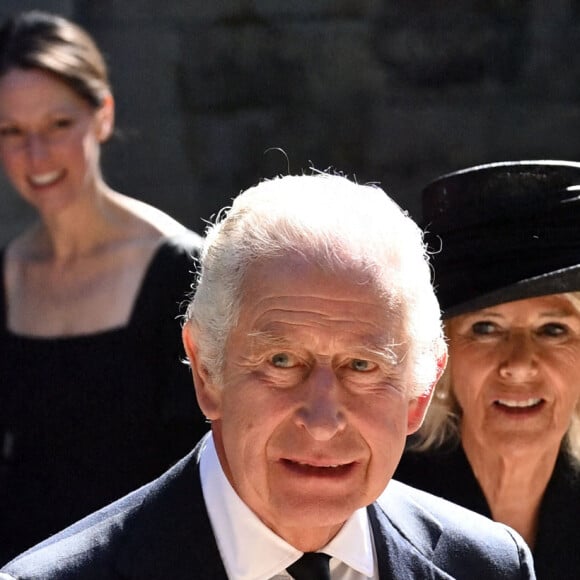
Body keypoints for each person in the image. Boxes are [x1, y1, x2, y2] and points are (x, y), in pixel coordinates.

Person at [1, 172, 535, 579]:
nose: (323, 420)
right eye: (282, 361)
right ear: (207, 371)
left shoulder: (488, 565)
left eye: (362, 366)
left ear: (420, 393)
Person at [0, 11, 207, 563]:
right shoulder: (8, 271)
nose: (36, 156)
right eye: (12, 132)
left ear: (103, 116)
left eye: (57, 125)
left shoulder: (181, 269)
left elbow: (206, 470)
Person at [394, 160, 580, 580]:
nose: (518, 364)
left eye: (553, 329)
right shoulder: (381, 503)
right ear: (442, 355)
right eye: (486, 328)